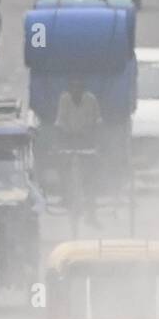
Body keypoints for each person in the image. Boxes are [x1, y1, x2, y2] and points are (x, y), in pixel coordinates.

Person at [55, 78, 103, 223]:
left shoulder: (91, 100)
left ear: (83, 90)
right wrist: (65, 135)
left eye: (79, 89)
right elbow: (60, 121)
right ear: (69, 90)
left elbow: (97, 121)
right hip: (69, 141)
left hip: (87, 141)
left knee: (91, 176)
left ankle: (92, 215)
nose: (76, 92)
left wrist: (93, 139)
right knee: (62, 167)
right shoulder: (64, 99)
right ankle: (65, 194)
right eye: (73, 88)